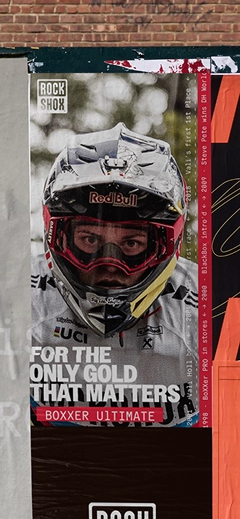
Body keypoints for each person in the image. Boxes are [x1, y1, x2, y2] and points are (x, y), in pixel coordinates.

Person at [31, 124, 199, 425]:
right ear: (57, 237)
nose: (109, 264)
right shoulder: (19, 298)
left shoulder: (206, 311)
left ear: (166, 245)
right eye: (90, 240)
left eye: (131, 244)